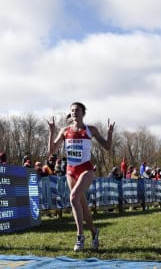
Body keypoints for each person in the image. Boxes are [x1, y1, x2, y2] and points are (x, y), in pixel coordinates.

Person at [48, 101, 114, 251]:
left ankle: (80, 237)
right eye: (72, 110)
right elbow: (52, 151)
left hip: (86, 169)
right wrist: (51, 131)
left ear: (83, 113)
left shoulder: (90, 130)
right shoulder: (65, 131)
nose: (74, 112)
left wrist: (109, 133)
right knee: (83, 208)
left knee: (73, 198)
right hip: (71, 171)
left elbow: (107, 147)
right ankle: (94, 232)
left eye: (77, 110)